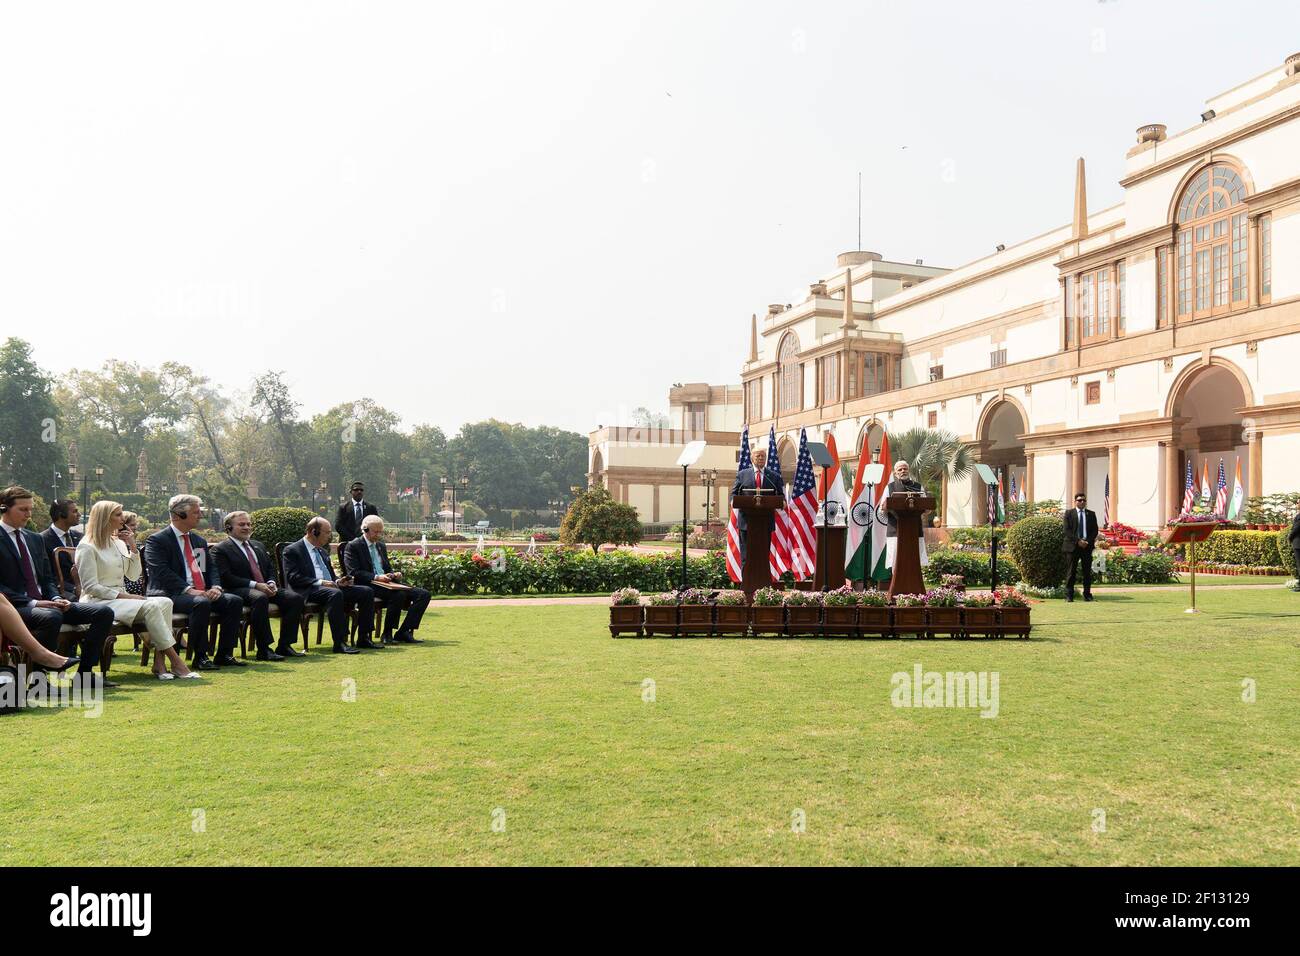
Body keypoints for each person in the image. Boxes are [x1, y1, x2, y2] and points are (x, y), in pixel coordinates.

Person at [0, 486, 116, 688]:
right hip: (14, 606)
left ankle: (84, 676)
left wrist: (54, 598)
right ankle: (38, 681)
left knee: (104, 612)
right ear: (4, 509)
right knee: (51, 617)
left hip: (47, 603)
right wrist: (35, 602)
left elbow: (47, 578)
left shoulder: (34, 539)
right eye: (23, 509)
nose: (28, 514)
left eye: (30, 509)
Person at [75, 500, 197, 679]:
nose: (122, 518)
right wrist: (126, 596)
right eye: (118, 515)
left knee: (165, 602)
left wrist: (132, 546)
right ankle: (176, 661)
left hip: (120, 599)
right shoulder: (87, 546)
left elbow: (133, 575)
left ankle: (159, 663)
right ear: (104, 518)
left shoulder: (116, 543)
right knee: (151, 606)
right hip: (98, 601)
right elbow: (90, 587)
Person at [143, 494, 244, 670]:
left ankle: (225, 654)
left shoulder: (198, 540)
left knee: (233, 601)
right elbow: (161, 571)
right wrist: (189, 590)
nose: (200, 516)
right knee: (201, 603)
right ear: (178, 515)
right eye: (196, 512)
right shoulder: (157, 540)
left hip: (200, 592)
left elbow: (209, 568)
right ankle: (200, 656)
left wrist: (216, 587)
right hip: (169, 594)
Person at [212, 511, 304, 660]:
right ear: (228, 527)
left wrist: (271, 582)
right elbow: (226, 577)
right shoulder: (220, 549)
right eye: (241, 524)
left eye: (248, 524)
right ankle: (264, 649)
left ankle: (285, 646)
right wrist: (256, 585)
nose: (247, 527)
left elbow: (270, 568)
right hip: (237, 589)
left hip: (264, 587)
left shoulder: (258, 545)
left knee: (295, 598)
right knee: (260, 598)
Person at [281, 517, 375, 653]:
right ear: (314, 532)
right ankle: (340, 642)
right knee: (335, 593)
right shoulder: (293, 550)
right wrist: (320, 582)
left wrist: (339, 581)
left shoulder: (322, 551)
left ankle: (364, 637)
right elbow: (293, 577)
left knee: (366, 591)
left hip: (329, 588)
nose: (330, 536)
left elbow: (330, 576)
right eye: (327, 532)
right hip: (308, 590)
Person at [343, 515, 428, 644]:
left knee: (423, 595)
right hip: (369, 584)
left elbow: (387, 568)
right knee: (398, 595)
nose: (378, 535)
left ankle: (404, 631)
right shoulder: (353, 546)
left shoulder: (380, 546)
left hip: (387, 583)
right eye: (375, 532)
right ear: (365, 530)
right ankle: (387, 633)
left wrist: (393, 574)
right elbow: (353, 572)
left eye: (380, 532)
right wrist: (376, 577)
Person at [729, 447, 785, 561]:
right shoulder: (742, 475)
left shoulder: (773, 476)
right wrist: (733, 501)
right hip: (746, 522)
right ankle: (747, 579)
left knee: (763, 556)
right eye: (758, 456)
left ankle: (763, 579)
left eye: (763, 456)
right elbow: (734, 493)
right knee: (746, 556)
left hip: (765, 522)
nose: (760, 458)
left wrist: (782, 502)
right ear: (752, 458)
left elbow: (780, 495)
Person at [0, 592, 79, 671]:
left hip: (46, 600)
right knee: (52, 617)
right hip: (19, 603)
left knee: (80, 609)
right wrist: (35, 602)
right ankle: (40, 658)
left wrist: (57, 598)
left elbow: (48, 583)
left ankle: (85, 672)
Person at [884, 460, 930, 570]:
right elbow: (883, 507)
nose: (903, 471)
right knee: (896, 560)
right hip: (896, 528)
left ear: (908, 470)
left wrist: (926, 509)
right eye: (899, 469)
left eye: (905, 469)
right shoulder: (890, 487)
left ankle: (914, 585)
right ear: (895, 473)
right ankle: (897, 585)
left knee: (913, 559)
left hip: (913, 528)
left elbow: (926, 507)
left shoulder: (918, 487)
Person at [43, 499, 83, 599]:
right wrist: (74, 588)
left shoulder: (80, 537)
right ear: (61, 514)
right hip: (62, 594)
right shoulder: (42, 540)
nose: (79, 514)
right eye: (74, 511)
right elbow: (47, 575)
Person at [1063, 491, 1099, 602]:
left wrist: (1086, 541)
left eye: (1084, 500)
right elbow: (1067, 530)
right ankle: (1069, 595)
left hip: (1086, 547)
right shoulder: (1069, 513)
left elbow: (1094, 530)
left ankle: (1087, 594)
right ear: (1075, 502)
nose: (1082, 502)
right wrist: (1078, 541)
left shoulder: (1091, 514)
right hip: (1073, 546)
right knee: (1071, 572)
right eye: (1079, 500)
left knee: (1087, 572)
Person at [334, 482, 378, 546]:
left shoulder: (371, 508)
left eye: (361, 490)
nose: (359, 491)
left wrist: (365, 538)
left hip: (366, 544)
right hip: (347, 543)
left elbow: (376, 524)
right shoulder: (343, 507)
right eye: (356, 490)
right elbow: (338, 526)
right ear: (351, 492)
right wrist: (354, 539)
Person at [120, 512, 146, 595]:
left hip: (135, 578)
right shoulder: (117, 543)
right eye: (132, 525)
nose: (135, 528)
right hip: (123, 583)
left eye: (135, 525)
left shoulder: (132, 543)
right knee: (139, 585)